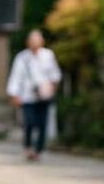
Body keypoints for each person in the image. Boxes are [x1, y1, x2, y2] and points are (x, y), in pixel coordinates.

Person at [6, 28, 63, 160]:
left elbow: (55, 75)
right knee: (29, 122)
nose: (34, 43)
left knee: (42, 124)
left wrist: (50, 88)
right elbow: (15, 77)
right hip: (27, 96)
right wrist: (14, 94)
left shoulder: (48, 55)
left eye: (37, 40)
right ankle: (28, 147)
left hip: (44, 95)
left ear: (42, 41)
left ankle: (38, 150)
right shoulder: (22, 57)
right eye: (32, 40)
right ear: (28, 42)